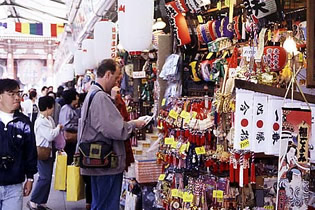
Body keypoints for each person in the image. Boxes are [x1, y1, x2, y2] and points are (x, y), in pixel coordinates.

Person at [78, 59, 146, 210]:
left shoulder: (92, 94)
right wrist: (133, 124)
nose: (116, 83)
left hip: (97, 161)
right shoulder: (101, 97)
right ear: (108, 74)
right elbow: (116, 129)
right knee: (106, 204)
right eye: (116, 78)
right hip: (106, 162)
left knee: (101, 202)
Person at [0, 79, 37, 210]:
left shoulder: (24, 122)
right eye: (11, 94)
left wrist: (30, 178)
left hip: (14, 186)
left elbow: (30, 152)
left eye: (18, 93)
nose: (17, 97)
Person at [27, 96, 62, 210]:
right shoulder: (41, 121)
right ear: (48, 107)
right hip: (42, 151)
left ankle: (42, 202)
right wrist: (58, 128)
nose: (53, 110)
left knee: (47, 178)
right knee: (44, 178)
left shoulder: (49, 119)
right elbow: (50, 135)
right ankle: (33, 200)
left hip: (49, 151)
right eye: (52, 107)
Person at [59, 88, 79, 165]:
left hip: (73, 138)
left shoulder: (73, 109)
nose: (78, 98)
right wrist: (77, 127)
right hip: (68, 139)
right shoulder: (66, 109)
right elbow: (65, 124)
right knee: (69, 158)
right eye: (76, 96)